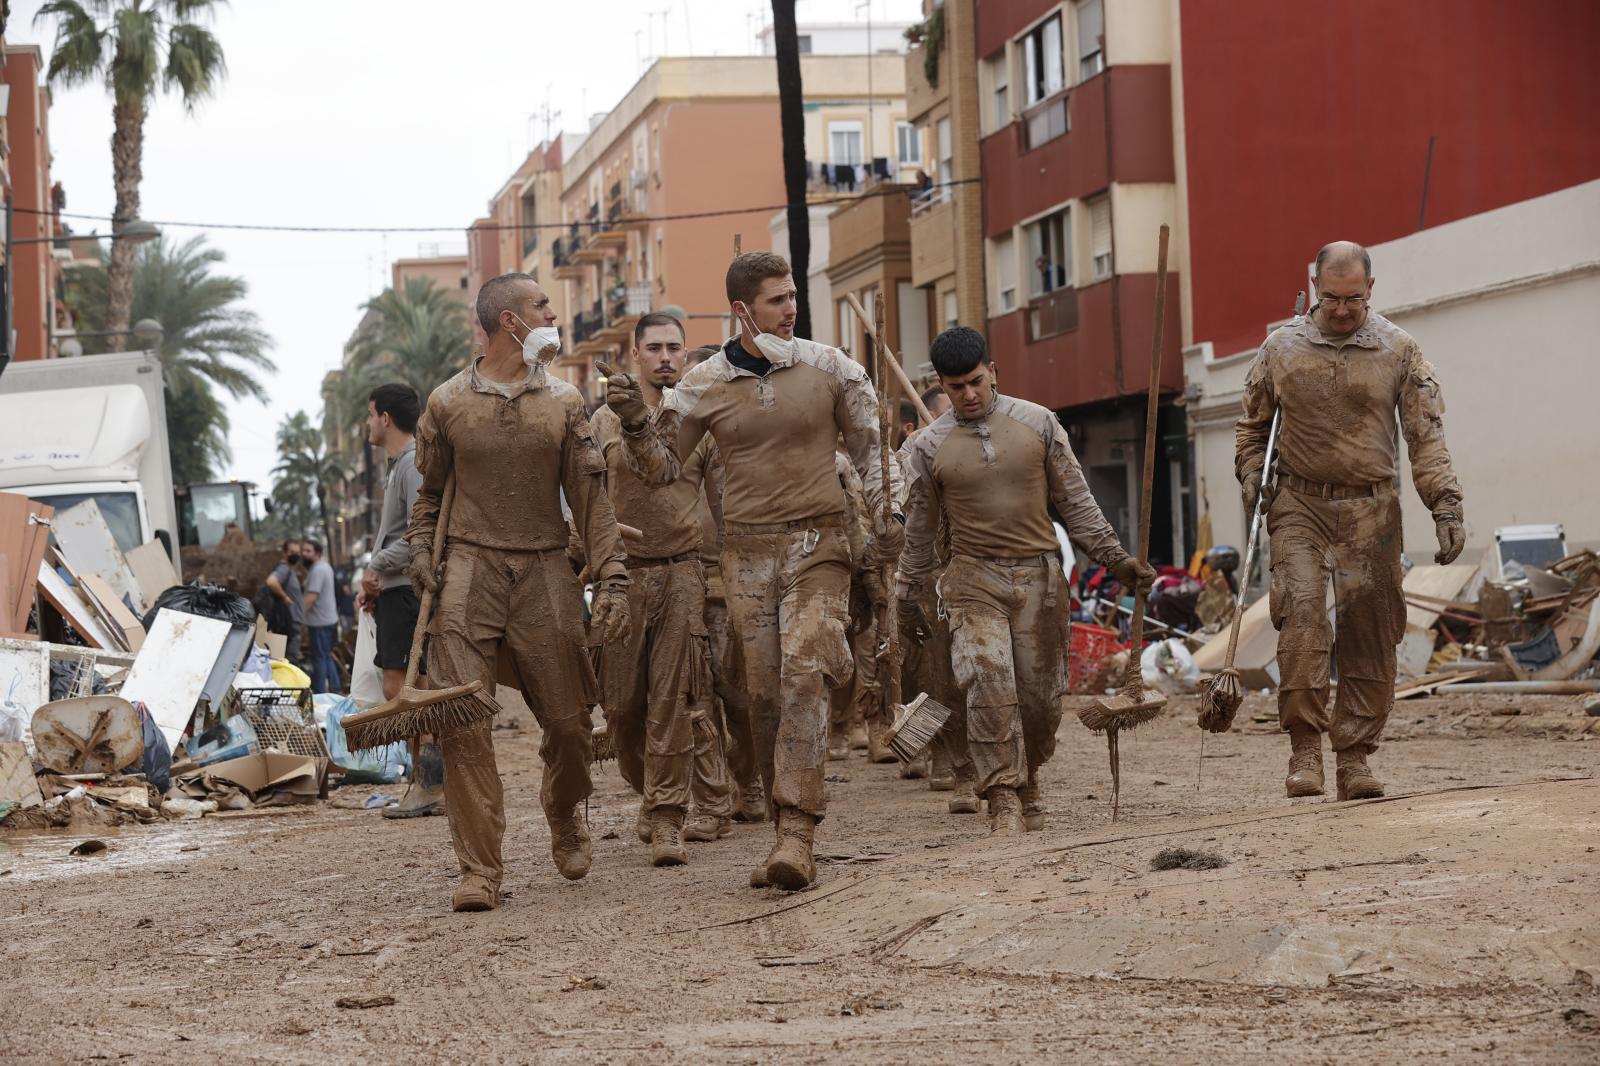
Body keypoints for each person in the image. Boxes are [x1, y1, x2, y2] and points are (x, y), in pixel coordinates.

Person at [605, 250, 901, 891]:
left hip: (819, 544)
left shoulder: (832, 368)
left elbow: (871, 450)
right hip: (745, 554)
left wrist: (887, 518)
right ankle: (780, 823)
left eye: (792, 295)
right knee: (762, 695)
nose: (791, 307)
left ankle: (797, 831)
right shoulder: (702, 383)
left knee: (804, 672)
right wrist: (635, 425)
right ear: (743, 310)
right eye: (776, 299)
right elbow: (661, 471)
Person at [409, 271, 629, 913]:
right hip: (468, 573)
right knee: (465, 725)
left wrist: (612, 573)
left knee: (567, 724)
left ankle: (564, 810)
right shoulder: (447, 403)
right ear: (511, 321)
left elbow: (593, 502)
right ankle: (480, 869)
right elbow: (430, 498)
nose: (552, 314)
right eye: (541, 306)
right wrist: (422, 552)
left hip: (544, 570)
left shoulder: (565, 403)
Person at [900, 326, 1153, 835]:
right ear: (940, 386)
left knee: (1039, 701)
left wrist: (1116, 561)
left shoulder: (1039, 424)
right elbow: (921, 529)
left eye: (976, 381)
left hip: (1039, 576)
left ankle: (1030, 773)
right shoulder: (928, 447)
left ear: (993, 371)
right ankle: (1002, 796)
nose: (969, 395)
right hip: (972, 578)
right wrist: (907, 591)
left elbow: (1077, 504)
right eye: (956, 387)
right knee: (987, 682)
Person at [1236, 241, 1464, 801]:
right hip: (1299, 505)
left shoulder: (1400, 350)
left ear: (1372, 289)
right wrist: (1251, 478)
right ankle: (1305, 750)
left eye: (1353, 299)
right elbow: (1251, 429)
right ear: (1314, 286)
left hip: (1372, 508)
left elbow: (1426, 438)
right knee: (1305, 618)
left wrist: (1445, 504)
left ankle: (1355, 757)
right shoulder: (1280, 349)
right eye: (1331, 297)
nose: (1341, 309)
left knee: (1371, 630)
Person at [590, 314, 724, 866]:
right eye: (654, 348)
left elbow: (723, 505)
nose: (665, 357)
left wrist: (729, 576)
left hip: (683, 570)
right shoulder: (600, 421)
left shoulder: (698, 421)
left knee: (672, 699)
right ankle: (649, 791)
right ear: (635, 353)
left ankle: (670, 815)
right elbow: (582, 495)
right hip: (621, 577)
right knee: (621, 708)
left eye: (674, 347)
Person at [684, 344, 764, 828]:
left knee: (737, 694)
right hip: (682, 578)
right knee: (694, 697)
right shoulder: (674, 436)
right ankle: (709, 800)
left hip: (733, 578)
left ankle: (749, 779)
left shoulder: (742, 434)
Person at [357, 383, 442, 820]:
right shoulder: (402, 466)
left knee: (403, 687)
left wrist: (376, 566)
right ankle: (426, 782)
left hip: (405, 590)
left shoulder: (411, 466)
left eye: (371, 414)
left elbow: (418, 536)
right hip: (395, 590)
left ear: (385, 418)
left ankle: (430, 782)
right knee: (412, 685)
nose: (369, 423)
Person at [302, 540, 340, 694]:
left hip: (319, 622)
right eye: (303, 550)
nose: (304, 553)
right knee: (326, 656)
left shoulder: (318, 570)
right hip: (328, 619)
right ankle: (335, 688)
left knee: (319, 659)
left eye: (308, 551)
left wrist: (297, 615)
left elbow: (311, 597)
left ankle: (319, 693)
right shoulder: (324, 567)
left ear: (317, 553)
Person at [265, 540, 305, 662]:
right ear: (284, 553)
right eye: (292, 552)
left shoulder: (289, 570)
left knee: (285, 659)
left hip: (291, 622)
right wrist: (285, 597)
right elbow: (271, 582)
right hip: (288, 623)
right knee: (290, 660)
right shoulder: (284, 569)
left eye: (298, 552)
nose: (295, 555)